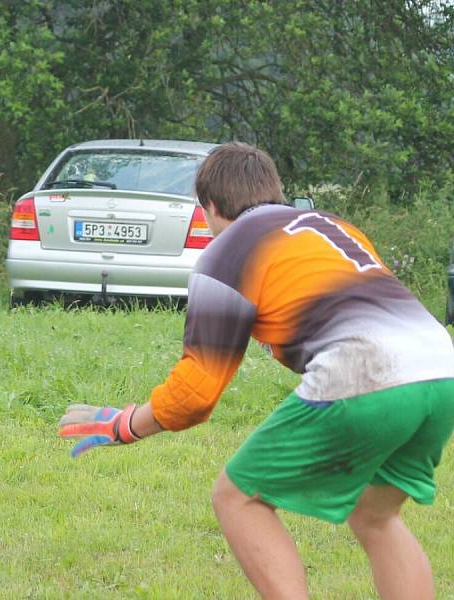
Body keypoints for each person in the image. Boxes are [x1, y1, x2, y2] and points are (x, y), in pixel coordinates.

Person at [59, 141, 454, 599]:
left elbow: (195, 394)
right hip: (441, 369)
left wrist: (125, 425)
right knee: (376, 515)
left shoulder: (226, 253)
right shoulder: (336, 227)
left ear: (208, 205)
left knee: (237, 496)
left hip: (364, 370)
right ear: (273, 190)